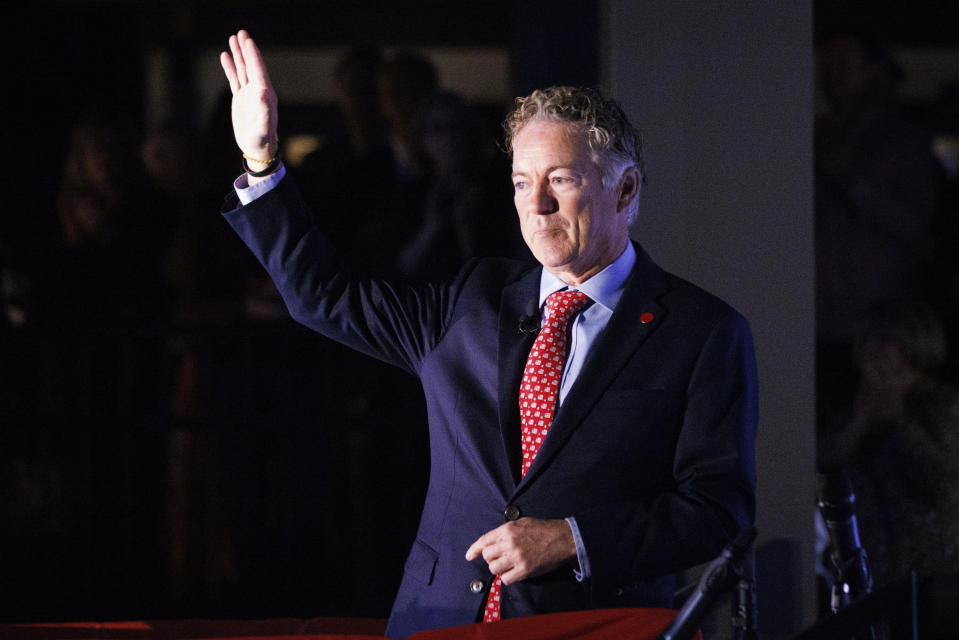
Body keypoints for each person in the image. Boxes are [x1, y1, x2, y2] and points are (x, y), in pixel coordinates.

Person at [218, 30, 758, 638]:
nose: (538, 206)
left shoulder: (702, 333)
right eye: (523, 182)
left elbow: (719, 510)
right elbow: (325, 297)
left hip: (590, 625)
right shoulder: (472, 300)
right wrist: (263, 163)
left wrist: (572, 539)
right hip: (441, 618)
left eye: (561, 180)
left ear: (626, 189)